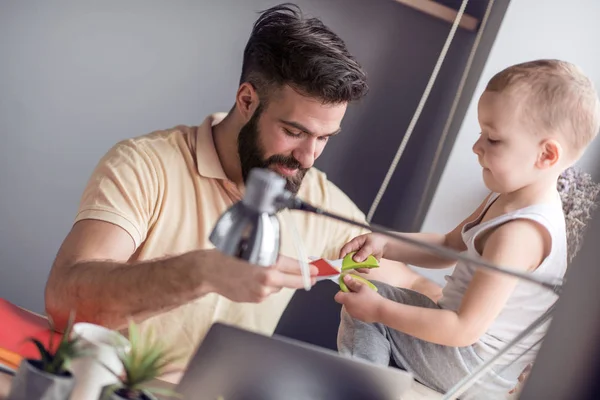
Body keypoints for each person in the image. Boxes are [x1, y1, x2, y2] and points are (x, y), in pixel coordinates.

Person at [44, 3, 440, 376]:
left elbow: (415, 286)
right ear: (247, 100)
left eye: (325, 138)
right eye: (294, 131)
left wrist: (473, 322)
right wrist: (201, 272)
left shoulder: (318, 201)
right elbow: (65, 301)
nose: (308, 157)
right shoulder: (145, 165)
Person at [335, 59, 600, 399]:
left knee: (370, 306)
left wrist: (378, 310)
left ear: (546, 155)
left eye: (493, 138)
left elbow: (464, 330)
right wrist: (386, 244)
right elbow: (448, 245)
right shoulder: (507, 198)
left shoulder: (520, 234)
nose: (477, 147)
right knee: (376, 295)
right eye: (480, 134)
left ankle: (355, 391)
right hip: (464, 353)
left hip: (474, 366)